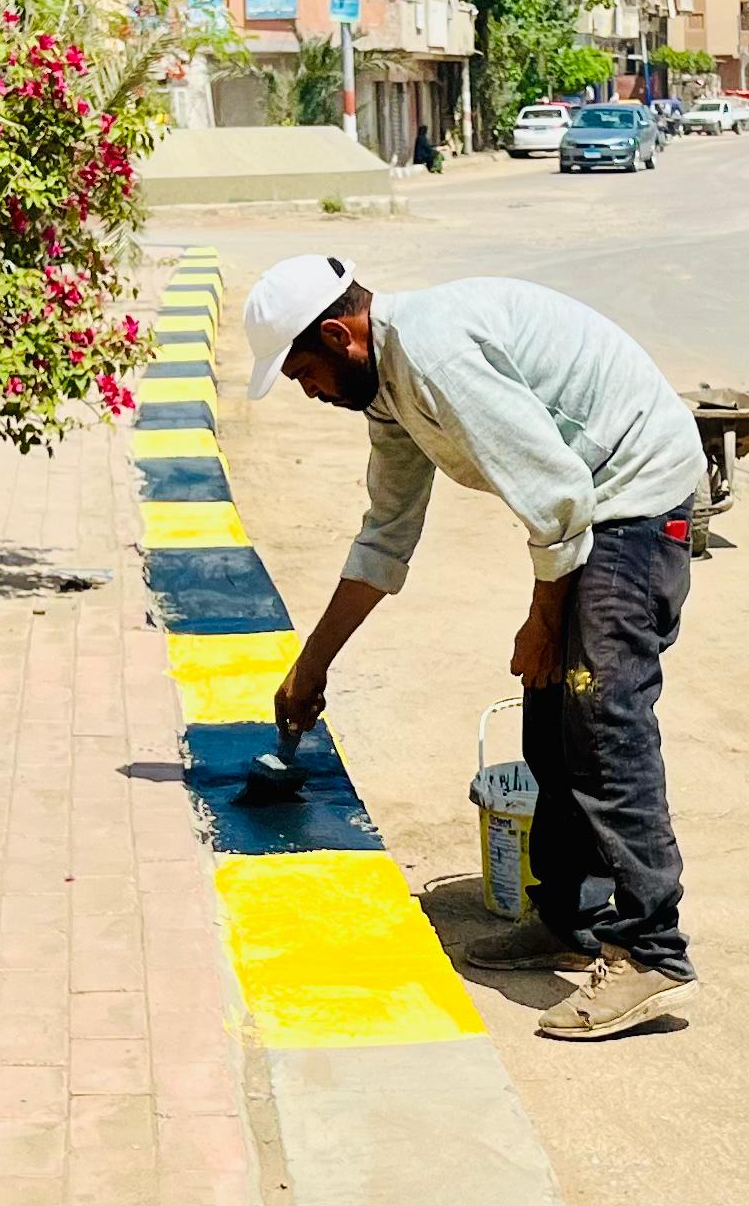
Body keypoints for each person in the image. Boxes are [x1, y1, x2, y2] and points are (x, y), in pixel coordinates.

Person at [246, 254, 708, 1042]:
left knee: (602, 717)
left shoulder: (433, 351)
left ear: (338, 335)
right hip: (588, 508)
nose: (310, 394)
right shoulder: (388, 392)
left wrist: (543, 620)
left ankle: (650, 952)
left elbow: (557, 498)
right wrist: (309, 668)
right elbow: (385, 538)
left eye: (303, 374)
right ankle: (568, 917)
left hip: (634, 494)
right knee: (548, 720)